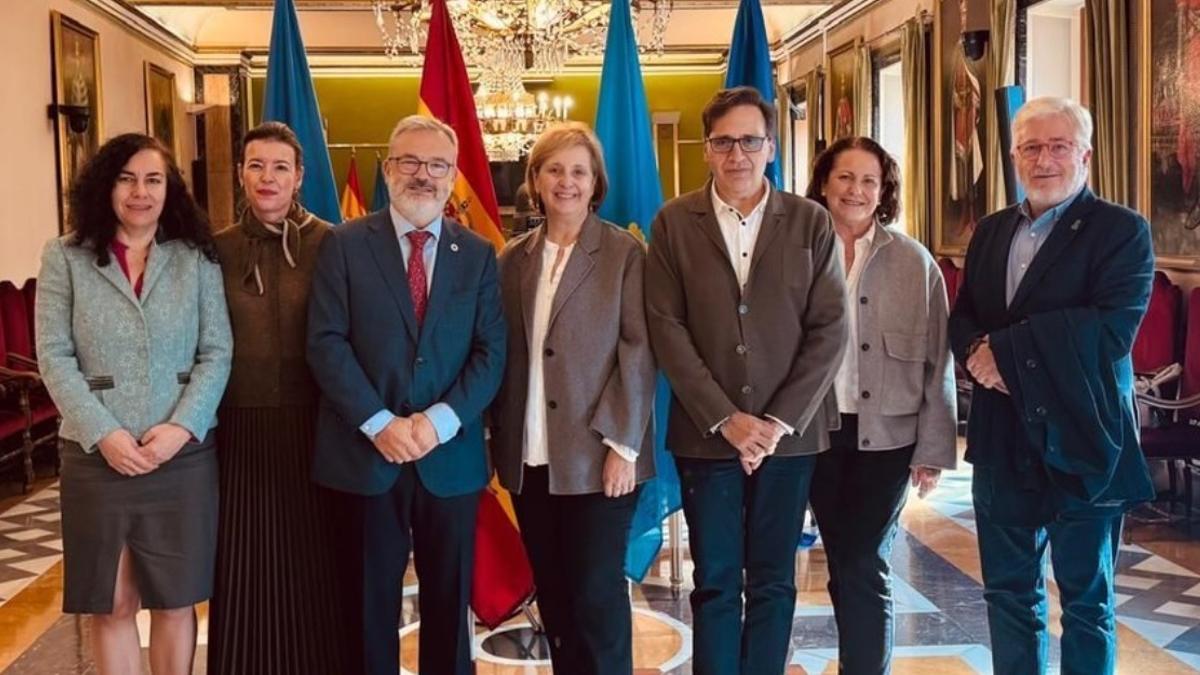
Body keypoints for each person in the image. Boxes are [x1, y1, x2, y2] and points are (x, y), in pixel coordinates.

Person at [948, 96, 1155, 675]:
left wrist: (1006, 356)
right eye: (1030, 147)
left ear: (1085, 155)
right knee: (1008, 596)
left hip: (1085, 441)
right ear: (1014, 156)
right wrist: (973, 353)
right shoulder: (990, 232)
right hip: (1002, 441)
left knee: (1088, 602)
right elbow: (964, 316)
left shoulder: (1121, 230)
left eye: (1058, 146)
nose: (1044, 159)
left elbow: (1110, 331)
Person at [645, 86, 848, 675]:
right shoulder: (674, 223)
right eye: (724, 142)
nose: (738, 154)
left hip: (789, 441)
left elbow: (829, 328)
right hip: (706, 437)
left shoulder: (809, 221)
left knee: (772, 581)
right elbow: (666, 328)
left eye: (750, 140)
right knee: (713, 581)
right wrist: (727, 419)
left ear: (771, 147)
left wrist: (775, 423)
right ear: (707, 149)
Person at [306, 114, 507, 675]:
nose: (424, 175)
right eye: (410, 162)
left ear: (453, 174)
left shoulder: (478, 254)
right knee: (368, 609)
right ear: (388, 168)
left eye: (437, 164)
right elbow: (325, 343)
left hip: (450, 460)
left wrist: (435, 423)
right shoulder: (343, 244)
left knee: (450, 605)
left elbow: (490, 354)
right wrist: (380, 423)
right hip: (365, 458)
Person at [35, 133, 232, 675]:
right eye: (126, 178)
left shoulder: (196, 257)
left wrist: (182, 428)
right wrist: (104, 433)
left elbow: (217, 352)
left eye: (153, 179)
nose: (139, 192)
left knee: (176, 598)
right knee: (114, 601)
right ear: (105, 185)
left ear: (170, 190)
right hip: (98, 457)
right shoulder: (65, 255)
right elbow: (53, 356)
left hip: (182, 456)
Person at [491, 122, 656, 674]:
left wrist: (624, 446)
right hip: (529, 457)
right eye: (554, 170)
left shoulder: (623, 253)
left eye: (578, 172)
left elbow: (639, 349)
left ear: (595, 183)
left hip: (599, 457)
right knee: (556, 598)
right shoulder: (512, 259)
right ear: (535, 180)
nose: (566, 182)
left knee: (595, 596)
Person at [804, 137, 957, 675]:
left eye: (869, 180)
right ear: (824, 183)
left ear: (884, 190)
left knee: (865, 560)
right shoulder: (796, 252)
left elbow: (939, 360)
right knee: (844, 558)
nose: (856, 190)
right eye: (845, 178)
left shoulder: (914, 263)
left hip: (888, 439)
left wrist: (934, 447)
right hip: (813, 433)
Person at [207, 122, 353, 674]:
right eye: (256, 165)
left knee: (315, 565)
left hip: (319, 429)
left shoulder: (334, 242)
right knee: (244, 564)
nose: (267, 178)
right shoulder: (213, 249)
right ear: (241, 172)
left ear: (299, 178)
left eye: (280, 167)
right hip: (239, 431)